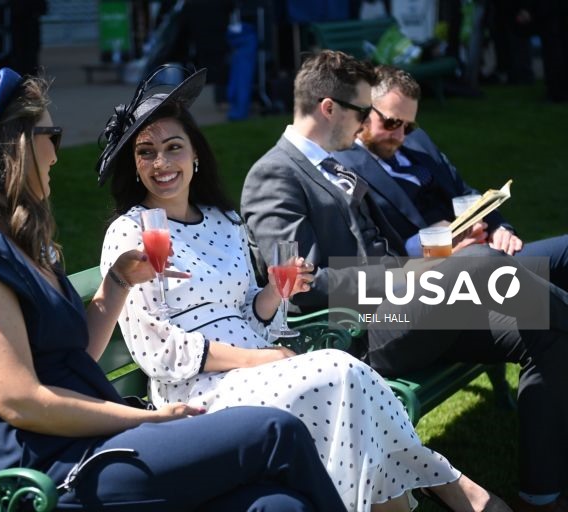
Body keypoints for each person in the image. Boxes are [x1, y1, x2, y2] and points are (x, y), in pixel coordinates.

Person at [0, 66, 350, 512]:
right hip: (39, 472)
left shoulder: (19, 244)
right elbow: (18, 400)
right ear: (13, 147)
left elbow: (77, 357)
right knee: (276, 431)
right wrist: (146, 418)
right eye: (50, 137)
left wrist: (116, 283)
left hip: (90, 446)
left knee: (278, 503)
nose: (56, 153)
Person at [97, 63, 509, 512]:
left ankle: (441, 485)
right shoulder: (132, 233)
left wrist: (272, 294)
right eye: (146, 152)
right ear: (134, 166)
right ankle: (446, 481)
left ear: (195, 153)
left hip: (275, 361)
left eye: (173, 147)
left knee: (356, 379)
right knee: (341, 371)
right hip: (200, 389)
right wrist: (262, 355)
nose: (161, 163)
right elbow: (158, 349)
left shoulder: (224, 220)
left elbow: (248, 313)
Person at [240, 49, 568, 512]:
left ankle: (543, 496)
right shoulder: (273, 174)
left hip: (407, 309)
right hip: (361, 332)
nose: (363, 125)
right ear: (329, 108)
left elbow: (386, 247)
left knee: (545, 329)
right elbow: (301, 286)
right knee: (485, 265)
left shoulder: (331, 164)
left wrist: (417, 268)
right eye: (360, 111)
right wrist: (405, 277)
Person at [333, 64, 568, 291]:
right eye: (392, 123)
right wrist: (441, 248)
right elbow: (370, 255)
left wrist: (499, 229)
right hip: (437, 279)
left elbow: (465, 193)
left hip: (485, 253)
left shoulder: (419, 141)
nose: (401, 136)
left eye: (408, 126)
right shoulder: (344, 169)